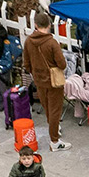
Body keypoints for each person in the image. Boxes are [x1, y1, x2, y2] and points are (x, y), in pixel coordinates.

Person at [23, 20, 69, 150]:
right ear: (49, 25)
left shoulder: (28, 41)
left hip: (39, 80)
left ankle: (53, 127)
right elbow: (62, 64)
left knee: (47, 106)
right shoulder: (52, 43)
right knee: (55, 110)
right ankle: (55, 141)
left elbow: (26, 63)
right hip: (54, 81)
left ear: (36, 25)